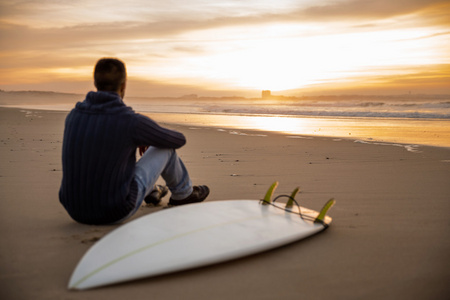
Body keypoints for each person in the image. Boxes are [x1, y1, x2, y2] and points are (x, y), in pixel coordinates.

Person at [59, 58, 209, 225]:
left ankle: (152, 191)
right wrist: (147, 133)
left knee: (109, 158)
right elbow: (178, 140)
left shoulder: (74, 116)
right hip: (114, 210)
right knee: (165, 148)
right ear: (123, 85)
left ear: (95, 83)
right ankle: (183, 194)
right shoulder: (129, 121)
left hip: (75, 209)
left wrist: (137, 136)